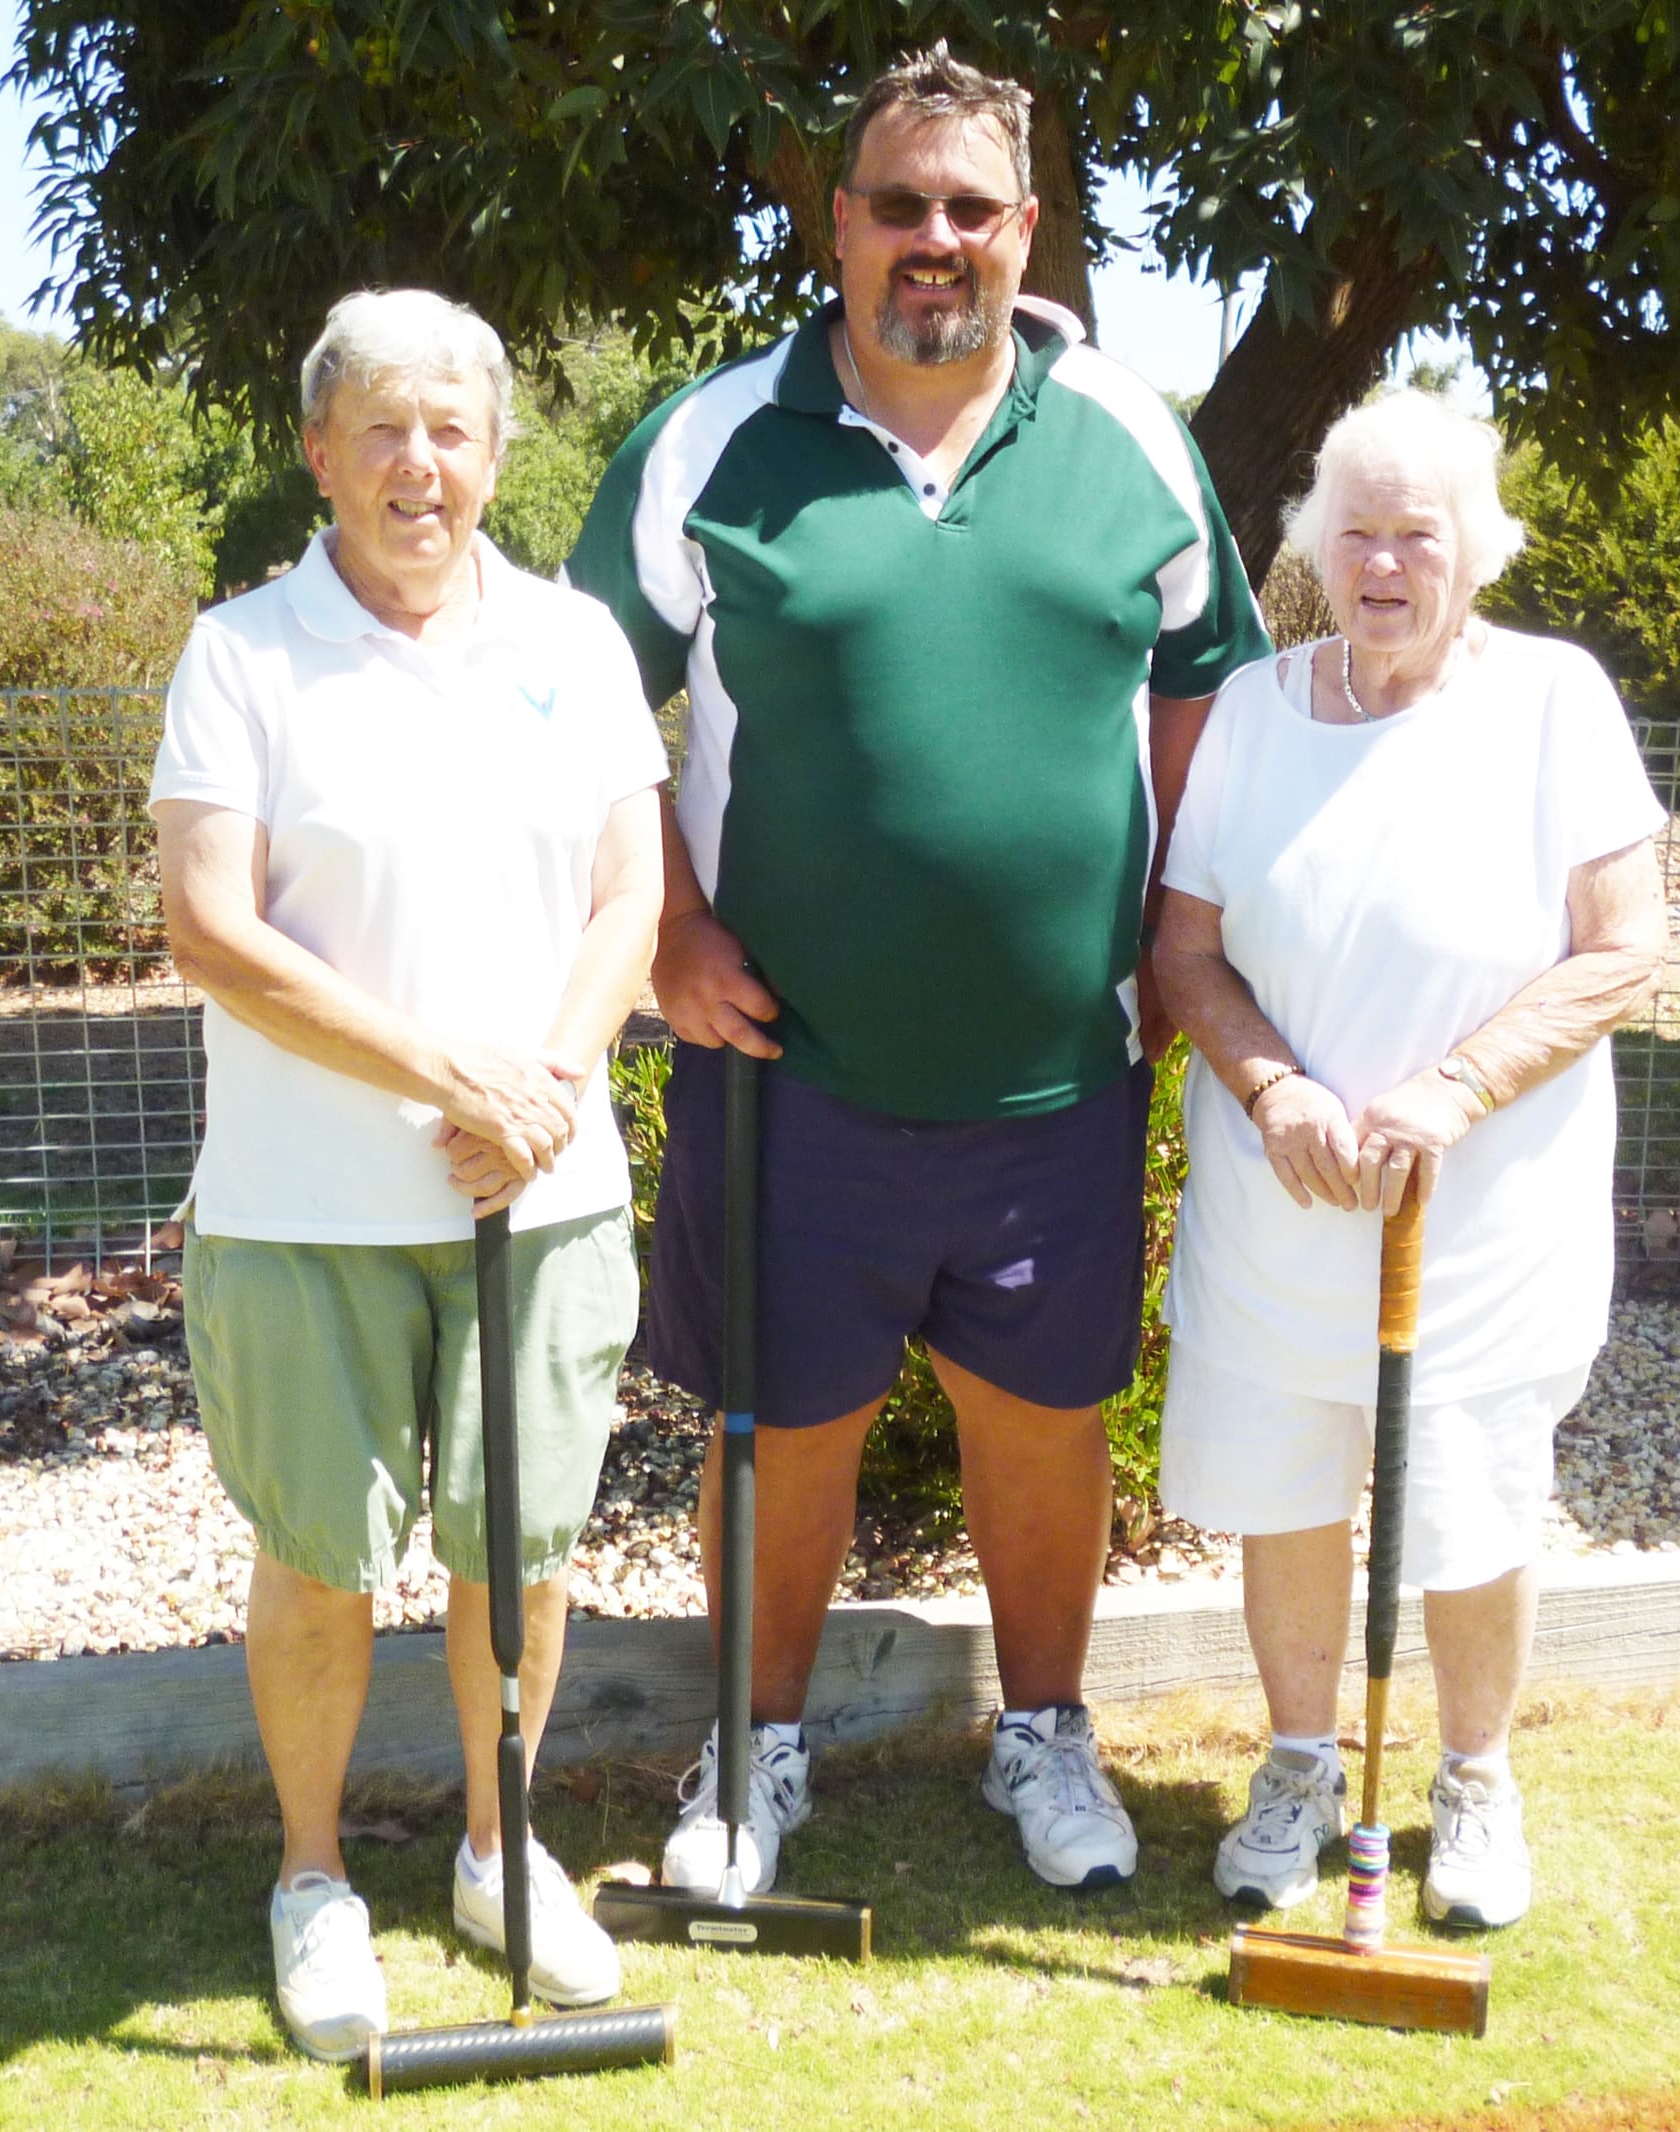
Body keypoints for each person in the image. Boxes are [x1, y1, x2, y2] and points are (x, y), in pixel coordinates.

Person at [571, 43, 1266, 1895]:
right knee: (779, 1426)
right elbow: (561, 701)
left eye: (974, 209)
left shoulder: (1129, 433)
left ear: (1028, 230)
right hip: (787, 1072)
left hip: (1059, 1070)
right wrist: (657, 929)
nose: (936, 241)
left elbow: (1206, 683)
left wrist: (1169, 929)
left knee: (1044, 1430)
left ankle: (1042, 1737)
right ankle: (754, 1757)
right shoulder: (715, 440)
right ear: (838, 225)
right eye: (900, 207)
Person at [149, 289, 666, 2060]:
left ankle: (500, 1852)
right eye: (381, 426)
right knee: (319, 1559)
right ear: (320, 451)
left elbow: (628, 901)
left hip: (541, 1185)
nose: (418, 462)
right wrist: (447, 1071)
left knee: (515, 1550)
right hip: (308, 1207)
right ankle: (313, 1881)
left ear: (499, 450)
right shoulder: (243, 653)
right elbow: (211, 930)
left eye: (451, 427)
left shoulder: (576, 642)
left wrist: (545, 1086)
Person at [1151, 389, 1668, 1931]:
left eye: (1417, 535)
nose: (1384, 564)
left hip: (1483, 1212)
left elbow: (1626, 948)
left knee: (1472, 1499)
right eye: (1357, 531)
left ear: (1476, 549)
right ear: (1316, 543)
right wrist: (1272, 1091)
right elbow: (1187, 952)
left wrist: (1454, 1086)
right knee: (1287, 1488)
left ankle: (1475, 1781)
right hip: (1281, 1194)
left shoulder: (1554, 701)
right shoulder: (1251, 708)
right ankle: (1301, 1766)